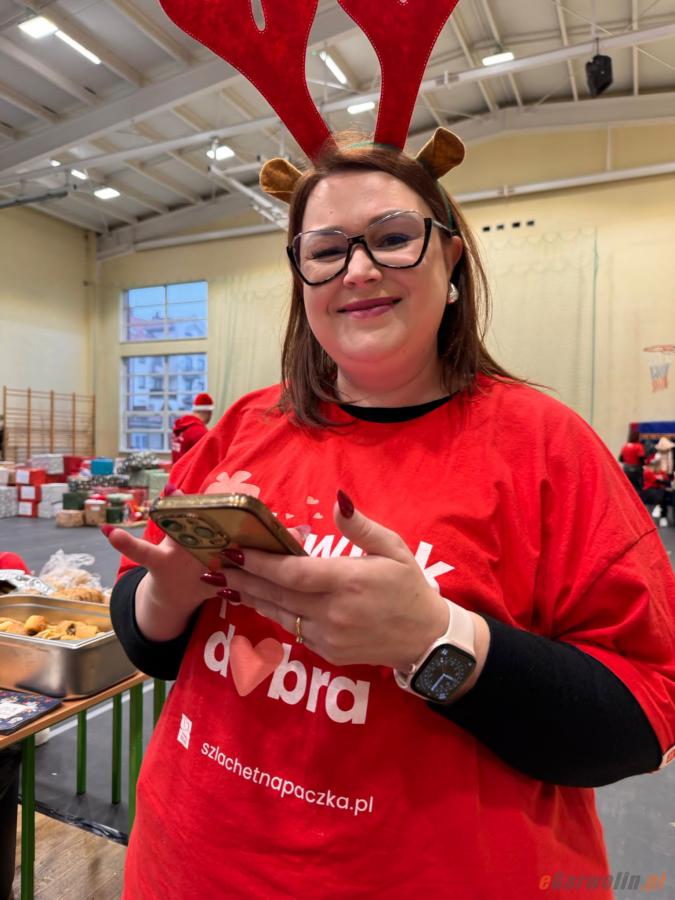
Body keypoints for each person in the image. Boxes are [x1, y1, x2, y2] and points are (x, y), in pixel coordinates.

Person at [103, 3, 675, 897]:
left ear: (451, 263)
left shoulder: (543, 447)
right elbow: (151, 644)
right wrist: (165, 597)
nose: (358, 270)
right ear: (301, 280)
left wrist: (435, 639)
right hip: (187, 869)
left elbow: (641, 719)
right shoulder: (245, 424)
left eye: (392, 237)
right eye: (325, 250)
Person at [170, 392, 214, 464]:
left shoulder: (180, 427)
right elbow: (206, 462)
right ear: (209, 413)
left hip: (177, 470)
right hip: (190, 471)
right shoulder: (200, 432)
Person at [618, 428, 646, 493]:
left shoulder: (625, 446)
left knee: (626, 487)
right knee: (637, 487)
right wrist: (644, 464)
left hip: (626, 469)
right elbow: (641, 459)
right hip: (636, 469)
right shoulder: (639, 446)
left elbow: (621, 459)